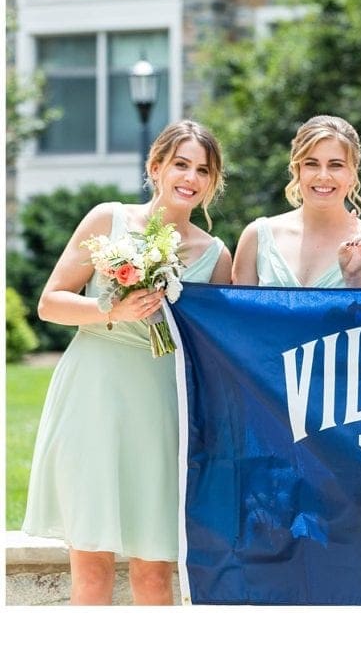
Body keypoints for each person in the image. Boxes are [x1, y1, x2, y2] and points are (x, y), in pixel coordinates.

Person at [22, 119, 232, 605]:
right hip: (93, 392)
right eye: (181, 164)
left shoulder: (216, 254)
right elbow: (50, 302)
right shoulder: (107, 221)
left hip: (162, 404)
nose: (191, 178)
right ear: (155, 167)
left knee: (155, 571)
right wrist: (108, 309)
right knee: (91, 568)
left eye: (203, 170)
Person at [232, 115, 361, 288]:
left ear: (352, 174)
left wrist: (354, 278)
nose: (323, 176)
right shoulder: (256, 237)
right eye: (311, 164)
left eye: (336, 165)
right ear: (297, 169)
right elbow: (235, 315)